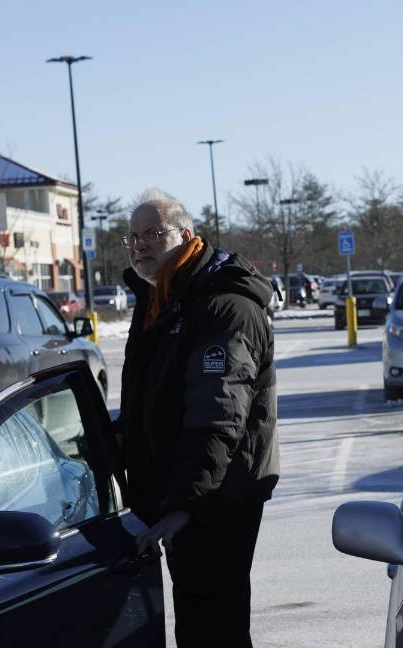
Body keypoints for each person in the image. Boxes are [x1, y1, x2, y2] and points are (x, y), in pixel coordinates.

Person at [118, 189, 279, 647]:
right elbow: (153, 404)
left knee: (212, 628)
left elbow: (219, 415)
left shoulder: (222, 306)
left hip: (216, 499)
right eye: (132, 236)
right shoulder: (162, 300)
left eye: (153, 232)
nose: (140, 244)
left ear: (185, 235)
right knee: (198, 623)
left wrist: (186, 504)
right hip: (183, 495)